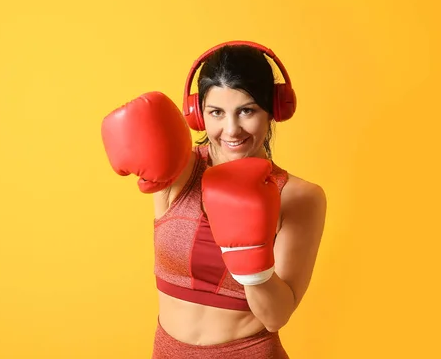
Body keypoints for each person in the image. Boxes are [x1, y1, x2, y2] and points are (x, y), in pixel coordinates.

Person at [101, 41, 327, 358]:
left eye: (246, 110)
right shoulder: (178, 171)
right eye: (216, 113)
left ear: (274, 110)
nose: (231, 129)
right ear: (197, 115)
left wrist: (252, 264)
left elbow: (276, 317)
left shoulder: (299, 197)